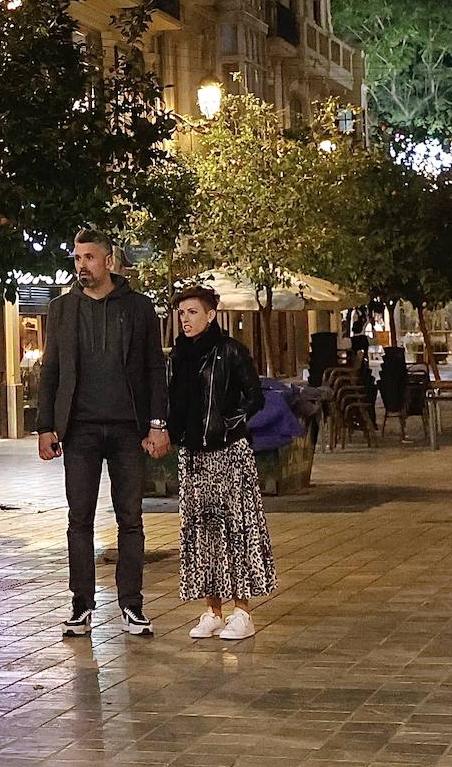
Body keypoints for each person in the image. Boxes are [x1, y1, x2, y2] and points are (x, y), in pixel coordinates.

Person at [38, 229, 169, 638]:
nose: (82, 265)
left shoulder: (138, 307)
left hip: (128, 430)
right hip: (79, 431)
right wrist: (45, 426)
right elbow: (51, 371)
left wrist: (157, 424)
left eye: (89, 257)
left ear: (109, 261)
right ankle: (81, 605)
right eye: (77, 258)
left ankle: (132, 605)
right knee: (79, 519)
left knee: (131, 518)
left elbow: (154, 369)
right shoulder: (61, 309)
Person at [169, 285, 276, 641]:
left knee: (236, 529)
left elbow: (255, 396)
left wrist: (231, 422)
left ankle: (242, 611)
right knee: (201, 531)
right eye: (182, 313)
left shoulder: (230, 351)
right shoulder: (179, 356)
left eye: (193, 312)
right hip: (193, 455)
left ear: (211, 314)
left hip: (228, 452)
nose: (186, 319)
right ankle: (212, 610)